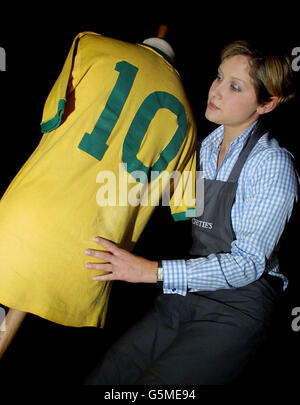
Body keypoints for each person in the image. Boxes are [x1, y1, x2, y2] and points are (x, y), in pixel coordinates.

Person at [83, 40, 299, 385]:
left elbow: (247, 264)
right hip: (188, 293)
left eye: (235, 86)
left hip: (241, 306)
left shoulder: (272, 164)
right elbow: (165, 195)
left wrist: (147, 272)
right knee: (111, 372)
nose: (216, 90)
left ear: (267, 103)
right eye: (218, 77)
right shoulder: (205, 145)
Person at [0, 30, 197, 356]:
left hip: (26, 222)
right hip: (89, 259)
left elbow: (49, 118)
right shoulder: (189, 123)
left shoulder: (89, 44)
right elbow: (186, 208)